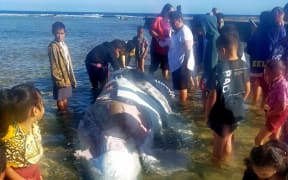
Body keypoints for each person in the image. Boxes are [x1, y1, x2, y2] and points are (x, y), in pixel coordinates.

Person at [206, 32, 250, 161]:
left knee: (218, 146)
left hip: (221, 113)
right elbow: (248, 89)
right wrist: (239, 103)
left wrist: (207, 114)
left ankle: (217, 168)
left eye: (218, 52)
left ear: (223, 50)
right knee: (228, 137)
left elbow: (212, 96)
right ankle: (227, 163)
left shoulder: (219, 68)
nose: (218, 55)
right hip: (237, 112)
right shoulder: (244, 65)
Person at [1, 83, 44, 180]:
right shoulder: (10, 134)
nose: (43, 107)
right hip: (19, 176)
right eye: (42, 104)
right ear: (35, 111)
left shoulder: (34, 125)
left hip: (34, 172)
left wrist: (38, 175)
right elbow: (5, 165)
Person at [254, 60, 288, 146]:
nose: (264, 75)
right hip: (274, 112)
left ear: (276, 73)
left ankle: (261, 157)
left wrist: (270, 114)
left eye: (267, 73)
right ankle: (278, 155)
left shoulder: (281, 86)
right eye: (265, 72)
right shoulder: (275, 81)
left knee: (258, 139)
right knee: (273, 139)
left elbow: (282, 107)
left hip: (276, 115)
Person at [48, 21, 77, 111]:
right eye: (57, 33)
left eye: (62, 33)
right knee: (60, 100)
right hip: (60, 78)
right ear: (53, 33)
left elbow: (68, 62)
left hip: (67, 76)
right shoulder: (53, 46)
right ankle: (62, 116)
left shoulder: (64, 45)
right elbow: (54, 65)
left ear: (65, 33)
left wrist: (71, 77)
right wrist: (58, 79)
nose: (59, 36)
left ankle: (65, 114)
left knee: (65, 98)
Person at [168, 11, 195, 105]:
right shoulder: (176, 31)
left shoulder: (184, 31)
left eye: (172, 22)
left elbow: (188, 50)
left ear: (179, 20)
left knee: (182, 88)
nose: (171, 24)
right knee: (180, 88)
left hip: (182, 65)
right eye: (170, 22)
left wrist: (184, 66)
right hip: (176, 65)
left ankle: (183, 108)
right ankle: (185, 103)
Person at [149, 3, 174, 80]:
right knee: (154, 66)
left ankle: (165, 83)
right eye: (170, 12)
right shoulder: (158, 19)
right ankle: (148, 79)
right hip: (156, 48)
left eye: (172, 12)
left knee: (165, 67)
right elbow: (151, 31)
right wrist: (160, 37)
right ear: (165, 11)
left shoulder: (171, 21)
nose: (171, 14)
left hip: (166, 49)